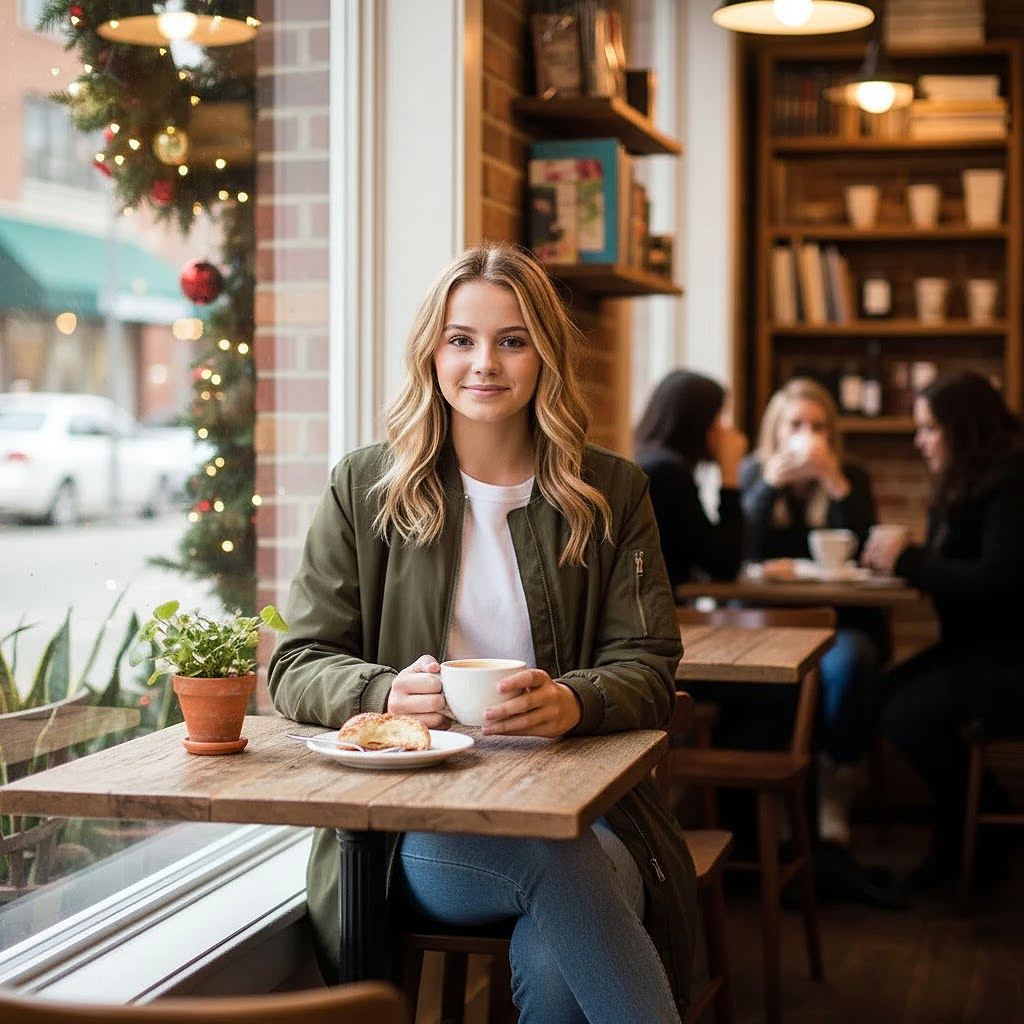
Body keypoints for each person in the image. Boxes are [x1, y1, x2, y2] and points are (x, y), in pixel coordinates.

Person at [268, 242, 696, 1023]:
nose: (483, 364)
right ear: (432, 352)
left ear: (545, 356)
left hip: (592, 813)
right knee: (550, 856)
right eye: (461, 339)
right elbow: (296, 663)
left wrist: (573, 702)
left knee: (553, 937)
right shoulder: (364, 487)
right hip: (420, 829)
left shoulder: (611, 491)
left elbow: (649, 664)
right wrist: (384, 692)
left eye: (513, 340)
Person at [862, 370, 1024, 889]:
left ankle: (973, 833)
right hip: (978, 652)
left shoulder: (1012, 484)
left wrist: (907, 558)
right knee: (884, 693)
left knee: (906, 713)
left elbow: (997, 583)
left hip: (1008, 663)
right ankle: (972, 830)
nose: (920, 440)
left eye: (930, 428)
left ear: (963, 429)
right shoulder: (968, 482)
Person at [740, 376, 887, 847]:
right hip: (766, 622)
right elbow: (738, 550)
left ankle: (833, 785)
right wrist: (767, 487)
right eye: (796, 424)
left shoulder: (851, 477)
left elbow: (867, 549)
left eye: (817, 426)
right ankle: (785, 792)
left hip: (839, 620)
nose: (807, 435)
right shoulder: (753, 473)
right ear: (776, 432)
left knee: (847, 664)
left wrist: (834, 481)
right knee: (775, 678)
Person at [634, 369, 749, 587]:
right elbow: (724, 565)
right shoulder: (668, 473)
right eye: (718, 419)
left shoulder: (652, 462)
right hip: (665, 615)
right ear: (698, 422)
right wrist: (730, 475)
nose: (724, 431)